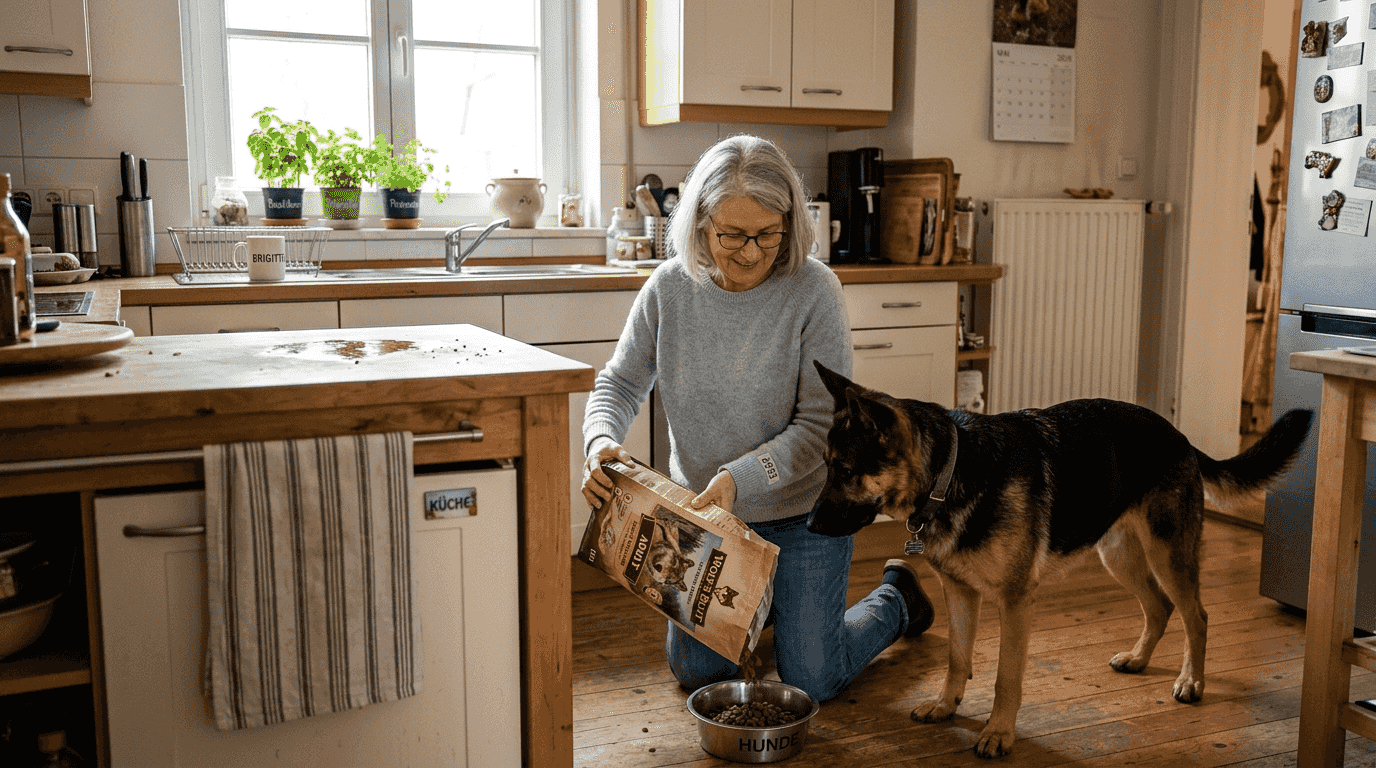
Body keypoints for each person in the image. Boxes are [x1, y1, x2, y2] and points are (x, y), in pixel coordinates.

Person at [580, 134, 933, 702]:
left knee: (812, 680)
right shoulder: (668, 289)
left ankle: (897, 600)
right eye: (731, 235)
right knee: (698, 674)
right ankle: (767, 607)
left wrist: (737, 480)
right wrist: (600, 442)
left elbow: (821, 427)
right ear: (699, 223)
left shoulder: (815, 291)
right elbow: (619, 384)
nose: (749, 252)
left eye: (767, 235)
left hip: (801, 518)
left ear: (789, 225)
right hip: (708, 523)